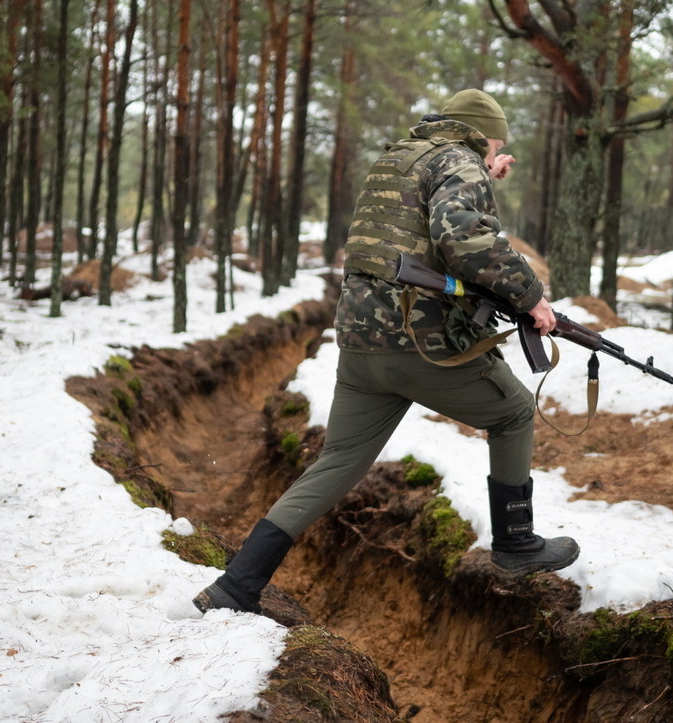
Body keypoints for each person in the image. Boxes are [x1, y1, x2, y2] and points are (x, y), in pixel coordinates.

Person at [194, 89, 579, 615]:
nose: (497, 154)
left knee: (338, 462)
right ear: (480, 133)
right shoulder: (461, 161)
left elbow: (417, 228)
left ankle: (235, 586)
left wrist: (482, 174)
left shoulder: (400, 158)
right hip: (420, 342)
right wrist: (530, 295)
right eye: (496, 144)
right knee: (512, 411)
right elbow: (463, 239)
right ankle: (516, 545)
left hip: (358, 340)